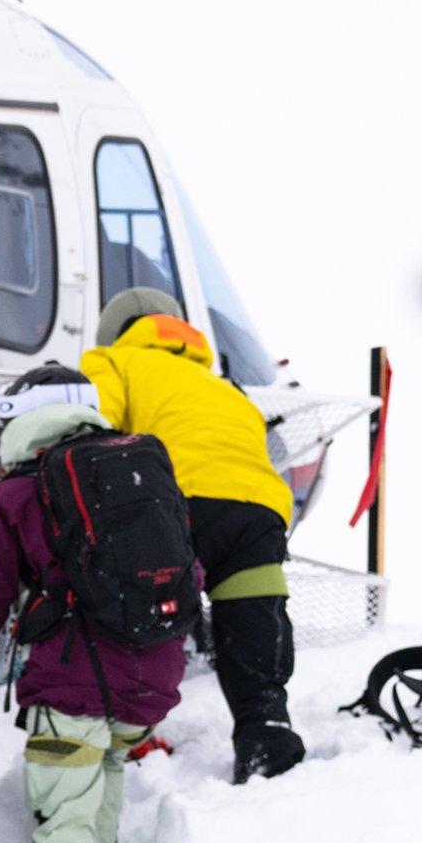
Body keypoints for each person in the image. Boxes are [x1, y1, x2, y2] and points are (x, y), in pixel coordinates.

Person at [0, 373, 189, 843]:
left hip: (77, 676)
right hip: (155, 670)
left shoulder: (13, 495)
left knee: (66, 816)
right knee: (106, 765)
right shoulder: (138, 477)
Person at [82, 286, 306, 782]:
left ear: (115, 334)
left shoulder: (113, 362)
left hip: (174, 502)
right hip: (257, 507)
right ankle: (267, 732)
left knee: (142, 612)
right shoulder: (224, 387)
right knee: (253, 616)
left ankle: (132, 733)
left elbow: (92, 427)